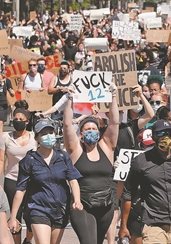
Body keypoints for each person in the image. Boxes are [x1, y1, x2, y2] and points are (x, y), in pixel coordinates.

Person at [120, 119, 171, 244]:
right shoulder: (141, 161)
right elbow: (128, 194)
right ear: (153, 136)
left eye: (168, 133)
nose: (165, 137)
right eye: (161, 133)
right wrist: (124, 225)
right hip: (153, 224)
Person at [8, 119, 83, 244]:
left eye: (50, 132)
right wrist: (13, 217)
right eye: (43, 134)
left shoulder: (63, 157)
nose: (48, 136)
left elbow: (73, 180)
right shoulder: (30, 159)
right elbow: (21, 189)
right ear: (37, 138)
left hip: (60, 210)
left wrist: (77, 200)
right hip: (38, 208)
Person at [63, 83, 120, 244]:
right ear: (81, 134)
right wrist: (70, 99)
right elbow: (67, 125)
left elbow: (114, 123)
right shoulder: (75, 149)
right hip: (82, 205)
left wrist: (113, 97)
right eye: (87, 129)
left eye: (94, 129)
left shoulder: (106, 147)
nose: (91, 132)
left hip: (106, 205)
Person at [0, 102, 37, 244]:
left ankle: (28, 239)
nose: (18, 122)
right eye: (15, 119)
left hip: (32, 181)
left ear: (27, 121)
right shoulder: (6, 138)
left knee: (32, 215)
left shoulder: (34, 137)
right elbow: (1, 160)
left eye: (21, 119)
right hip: (12, 180)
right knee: (16, 215)